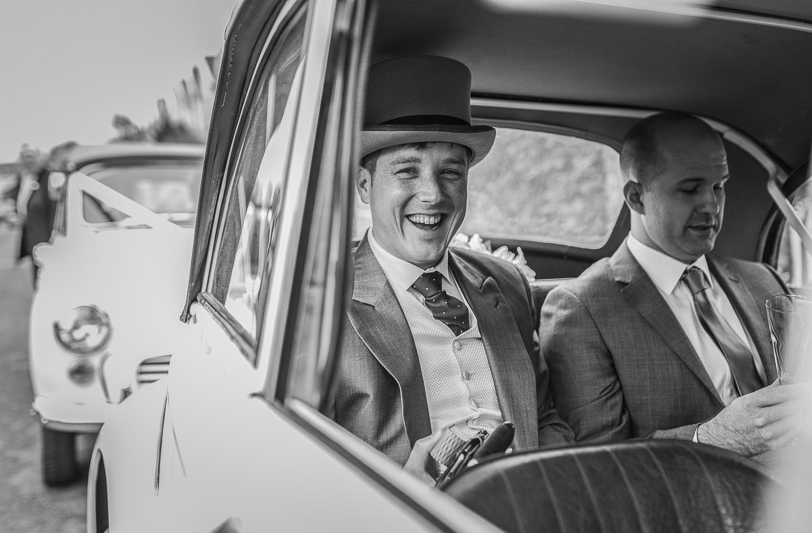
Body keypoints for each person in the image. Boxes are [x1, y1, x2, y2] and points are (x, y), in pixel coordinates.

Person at [326, 56, 573, 480]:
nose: (432, 194)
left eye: (450, 173)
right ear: (365, 186)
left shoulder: (507, 282)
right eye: (407, 171)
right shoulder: (323, 295)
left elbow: (545, 416)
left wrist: (542, 481)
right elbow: (305, 459)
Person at [540, 111, 803, 460]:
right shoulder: (581, 309)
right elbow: (601, 462)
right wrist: (711, 439)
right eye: (690, 188)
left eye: (718, 186)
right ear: (636, 197)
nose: (711, 204)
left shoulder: (761, 280)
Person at [16, 141, 76, 285]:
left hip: (49, 248)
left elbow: (58, 215)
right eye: (24, 157)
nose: (28, 161)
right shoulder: (28, 180)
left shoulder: (52, 178)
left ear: (41, 157)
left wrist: (55, 245)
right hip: (36, 248)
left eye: (31, 156)